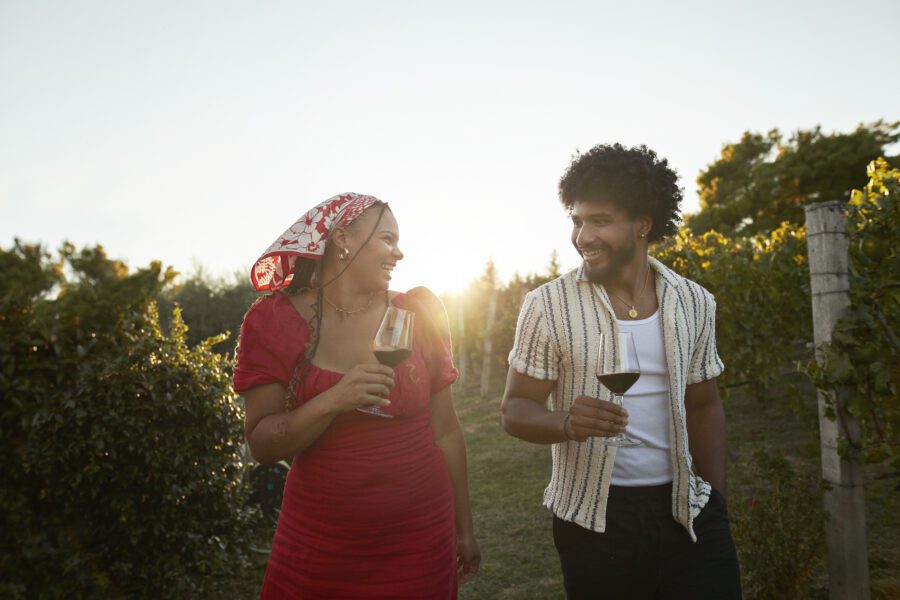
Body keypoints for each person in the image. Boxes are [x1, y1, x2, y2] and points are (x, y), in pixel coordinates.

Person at [501, 145, 741, 599]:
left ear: (643, 224)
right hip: (594, 521)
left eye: (600, 221)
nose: (582, 236)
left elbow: (704, 406)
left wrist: (715, 502)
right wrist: (566, 424)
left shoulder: (694, 301)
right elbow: (515, 410)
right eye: (576, 220)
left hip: (688, 513)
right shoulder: (547, 305)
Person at [234, 193, 480, 599]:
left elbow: (447, 432)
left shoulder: (417, 312)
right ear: (343, 238)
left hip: (421, 536)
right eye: (387, 239)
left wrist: (464, 529)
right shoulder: (273, 321)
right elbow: (261, 444)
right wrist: (333, 399)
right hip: (320, 541)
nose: (399, 253)